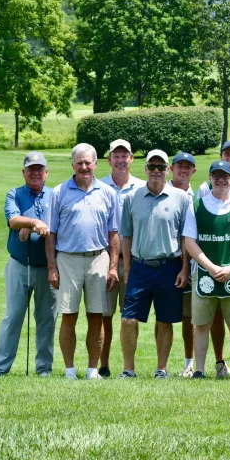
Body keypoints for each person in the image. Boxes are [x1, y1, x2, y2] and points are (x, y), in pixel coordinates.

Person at [46, 143, 120, 380]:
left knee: (96, 315)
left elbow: (114, 234)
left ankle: (91, 369)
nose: (84, 167)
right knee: (69, 315)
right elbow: (51, 233)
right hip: (67, 259)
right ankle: (69, 370)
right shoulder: (59, 192)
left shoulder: (108, 193)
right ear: (73, 165)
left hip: (99, 258)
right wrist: (52, 268)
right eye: (80, 163)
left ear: (96, 164)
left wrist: (113, 266)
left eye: (88, 162)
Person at [117, 150, 191, 379]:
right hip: (139, 266)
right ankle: (128, 369)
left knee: (165, 319)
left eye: (161, 167)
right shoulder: (131, 197)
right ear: (145, 169)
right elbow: (126, 235)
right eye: (152, 167)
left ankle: (162, 368)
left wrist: (184, 268)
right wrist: (127, 268)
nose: (157, 171)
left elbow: (185, 238)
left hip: (169, 266)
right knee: (128, 319)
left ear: (168, 170)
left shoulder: (181, 198)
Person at [184, 160, 230, 379]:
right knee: (202, 323)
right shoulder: (196, 205)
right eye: (216, 175)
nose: (221, 179)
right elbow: (190, 242)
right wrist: (212, 267)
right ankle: (199, 370)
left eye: (225, 175)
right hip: (205, 274)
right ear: (210, 178)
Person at [0, 152, 58, 378]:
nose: (35, 172)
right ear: (24, 173)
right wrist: (31, 222)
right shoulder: (15, 194)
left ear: (47, 173)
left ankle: (44, 369)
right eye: (31, 169)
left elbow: (58, 225)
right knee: (13, 316)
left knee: (47, 319)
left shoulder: (55, 195)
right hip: (20, 265)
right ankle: (0, 368)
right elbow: (13, 220)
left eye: (40, 169)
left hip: (48, 267)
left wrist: (32, 224)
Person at [98, 139, 145, 378]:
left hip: (133, 261)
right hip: (104, 259)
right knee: (104, 314)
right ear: (109, 160)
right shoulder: (99, 186)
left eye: (124, 155)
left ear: (131, 159)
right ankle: (103, 365)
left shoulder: (142, 187)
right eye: (116, 156)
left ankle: (129, 366)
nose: (120, 160)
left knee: (130, 316)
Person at [169, 152, 197, 377]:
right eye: (180, 166)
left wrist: (186, 266)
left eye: (188, 167)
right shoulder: (162, 191)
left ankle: (190, 362)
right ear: (172, 168)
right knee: (164, 315)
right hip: (163, 261)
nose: (183, 170)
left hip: (188, 263)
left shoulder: (198, 197)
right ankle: (161, 365)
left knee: (189, 316)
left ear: (193, 171)